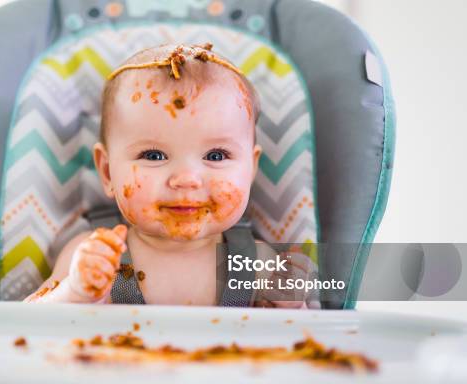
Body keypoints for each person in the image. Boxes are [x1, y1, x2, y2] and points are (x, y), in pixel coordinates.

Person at [24, 43, 315, 307]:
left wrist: (290, 305)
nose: (187, 179)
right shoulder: (95, 257)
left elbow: (307, 346)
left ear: (250, 169)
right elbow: (26, 325)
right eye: (153, 156)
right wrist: (74, 293)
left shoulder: (259, 264)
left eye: (215, 156)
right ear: (108, 171)